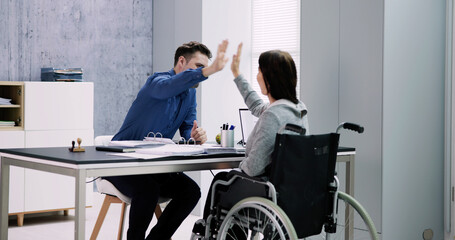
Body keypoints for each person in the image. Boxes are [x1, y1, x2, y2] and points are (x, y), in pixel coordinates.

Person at [105, 40, 229, 240]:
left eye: (205, 68)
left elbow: (187, 129)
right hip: (120, 164)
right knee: (147, 189)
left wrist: (195, 137)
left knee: (190, 191)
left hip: (153, 166)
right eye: (199, 67)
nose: (202, 73)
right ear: (181, 61)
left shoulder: (190, 94)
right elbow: (171, 86)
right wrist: (207, 72)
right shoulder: (157, 83)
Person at [201, 43, 310, 222]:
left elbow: (253, 168)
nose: (257, 76)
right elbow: (258, 106)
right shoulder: (298, 109)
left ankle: (210, 229)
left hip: (264, 191)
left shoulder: (273, 115)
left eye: (259, 71)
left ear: (269, 79)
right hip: (291, 190)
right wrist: (237, 74)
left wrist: (241, 164)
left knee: (222, 180)